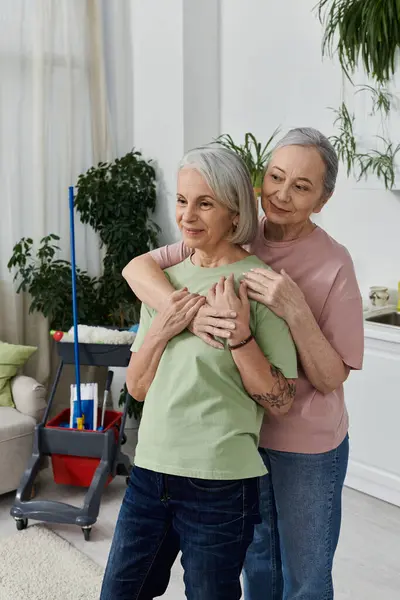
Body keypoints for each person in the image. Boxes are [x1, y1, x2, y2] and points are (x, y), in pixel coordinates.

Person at [122, 127, 364, 600]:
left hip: (304, 444)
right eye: (275, 177)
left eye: (302, 186)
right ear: (257, 182)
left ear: (323, 199)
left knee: (306, 578)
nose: (282, 194)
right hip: (237, 440)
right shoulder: (231, 236)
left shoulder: (334, 263)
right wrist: (190, 317)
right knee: (258, 570)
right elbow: (137, 269)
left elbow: (333, 376)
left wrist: (293, 307)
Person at [100, 146, 298, 600]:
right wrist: (166, 324)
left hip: (220, 484)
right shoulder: (165, 283)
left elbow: (283, 402)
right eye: (182, 200)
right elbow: (138, 387)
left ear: (235, 212)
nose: (188, 216)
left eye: (205, 203)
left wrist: (242, 336)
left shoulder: (257, 284)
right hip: (149, 471)